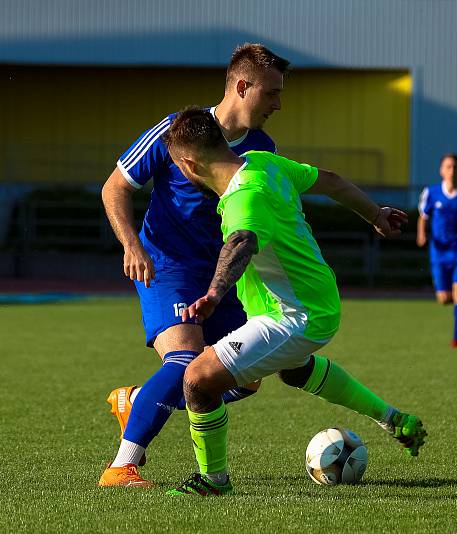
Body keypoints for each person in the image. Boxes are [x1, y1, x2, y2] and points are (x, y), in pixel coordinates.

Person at [160, 107, 427, 496]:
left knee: (198, 381)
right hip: (310, 300)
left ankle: (213, 481)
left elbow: (242, 242)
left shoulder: (244, 197)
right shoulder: (263, 163)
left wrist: (214, 294)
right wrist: (376, 214)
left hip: (295, 314)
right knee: (295, 370)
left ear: (187, 163)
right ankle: (392, 418)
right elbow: (331, 180)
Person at [98, 44, 289, 488]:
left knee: (244, 377)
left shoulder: (264, 147)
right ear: (242, 87)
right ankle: (122, 465)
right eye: (272, 93)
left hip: (222, 275)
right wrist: (132, 245)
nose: (279, 104)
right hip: (167, 262)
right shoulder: (176, 131)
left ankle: (140, 399)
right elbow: (114, 187)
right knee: (185, 359)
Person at [416, 153, 457, 348]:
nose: (452, 170)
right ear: (441, 170)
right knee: (444, 298)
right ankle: (456, 302)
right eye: (448, 166)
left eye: (455, 167)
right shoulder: (431, 192)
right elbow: (423, 216)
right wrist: (421, 234)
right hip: (439, 251)